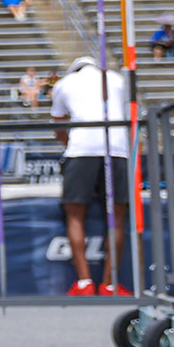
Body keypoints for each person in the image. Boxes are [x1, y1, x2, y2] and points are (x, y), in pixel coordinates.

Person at [50, 57, 131, 296]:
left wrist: (68, 145)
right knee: (116, 217)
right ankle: (109, 283)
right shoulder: (117, 80)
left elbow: (58, 124)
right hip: (116, 148)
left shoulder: (65, 83)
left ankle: (84, 282)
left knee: (75, 215)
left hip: (82, 148)